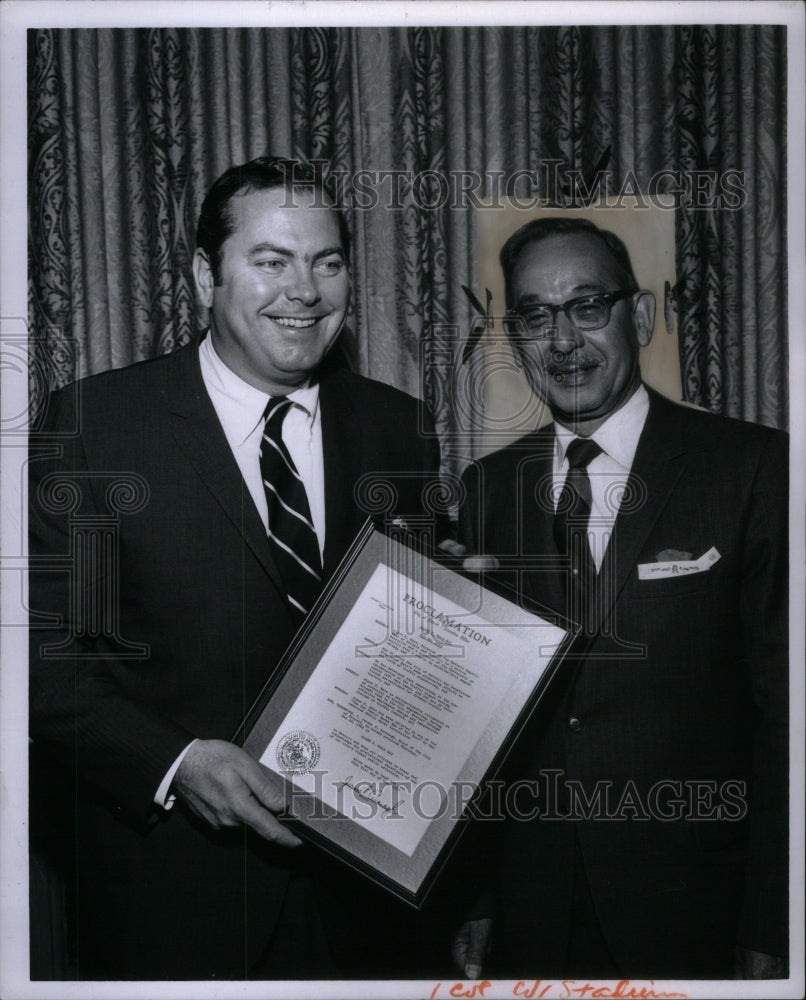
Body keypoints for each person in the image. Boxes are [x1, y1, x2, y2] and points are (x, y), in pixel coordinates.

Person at [28, 155, 446, 980]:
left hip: (371, 906)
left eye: (327, 263)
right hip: (174, 903)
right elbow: (41, 664)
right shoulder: (94, 427)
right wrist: (175, 763)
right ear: (202, 275)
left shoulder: (401, 428)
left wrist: (467, 610)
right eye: (270, 261)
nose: (305, 291)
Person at [456, 216, 788, 979]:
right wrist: (474, 898)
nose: (563, 341)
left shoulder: (752, 470)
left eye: (586, 306)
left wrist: (774, 917)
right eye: (536, 316)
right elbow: (473, 723)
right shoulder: (485, 490)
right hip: (531, 910)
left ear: (638, 316)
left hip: (696, 906)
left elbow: (787, 720)